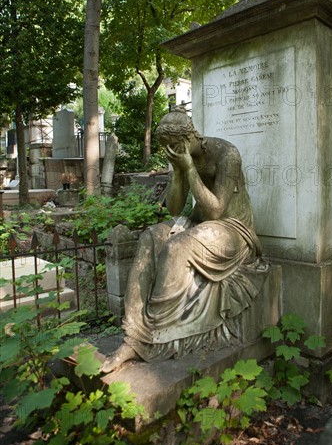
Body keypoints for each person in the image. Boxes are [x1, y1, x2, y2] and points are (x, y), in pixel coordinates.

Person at [102, 107, 265, 372]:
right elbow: (175, 209)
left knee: (178, 246)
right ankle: (134, 331)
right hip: (201, 223)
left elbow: (216, 209)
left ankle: (152, 336)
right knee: (150, 237)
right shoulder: (180, 156)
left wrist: (189, 168)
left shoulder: (227, 154)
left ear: (190, 136)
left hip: (233, 230)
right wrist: (178, 172)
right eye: (166, 147)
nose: (171, 150)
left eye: (174, 144)